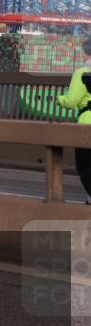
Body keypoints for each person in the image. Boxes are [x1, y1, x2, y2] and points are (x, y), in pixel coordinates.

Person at [57, 37, 91, 203]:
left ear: (86, 53)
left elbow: (71, 101)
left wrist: (60, 99)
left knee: (84, 164)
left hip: (87, 123)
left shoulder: (82, 73)